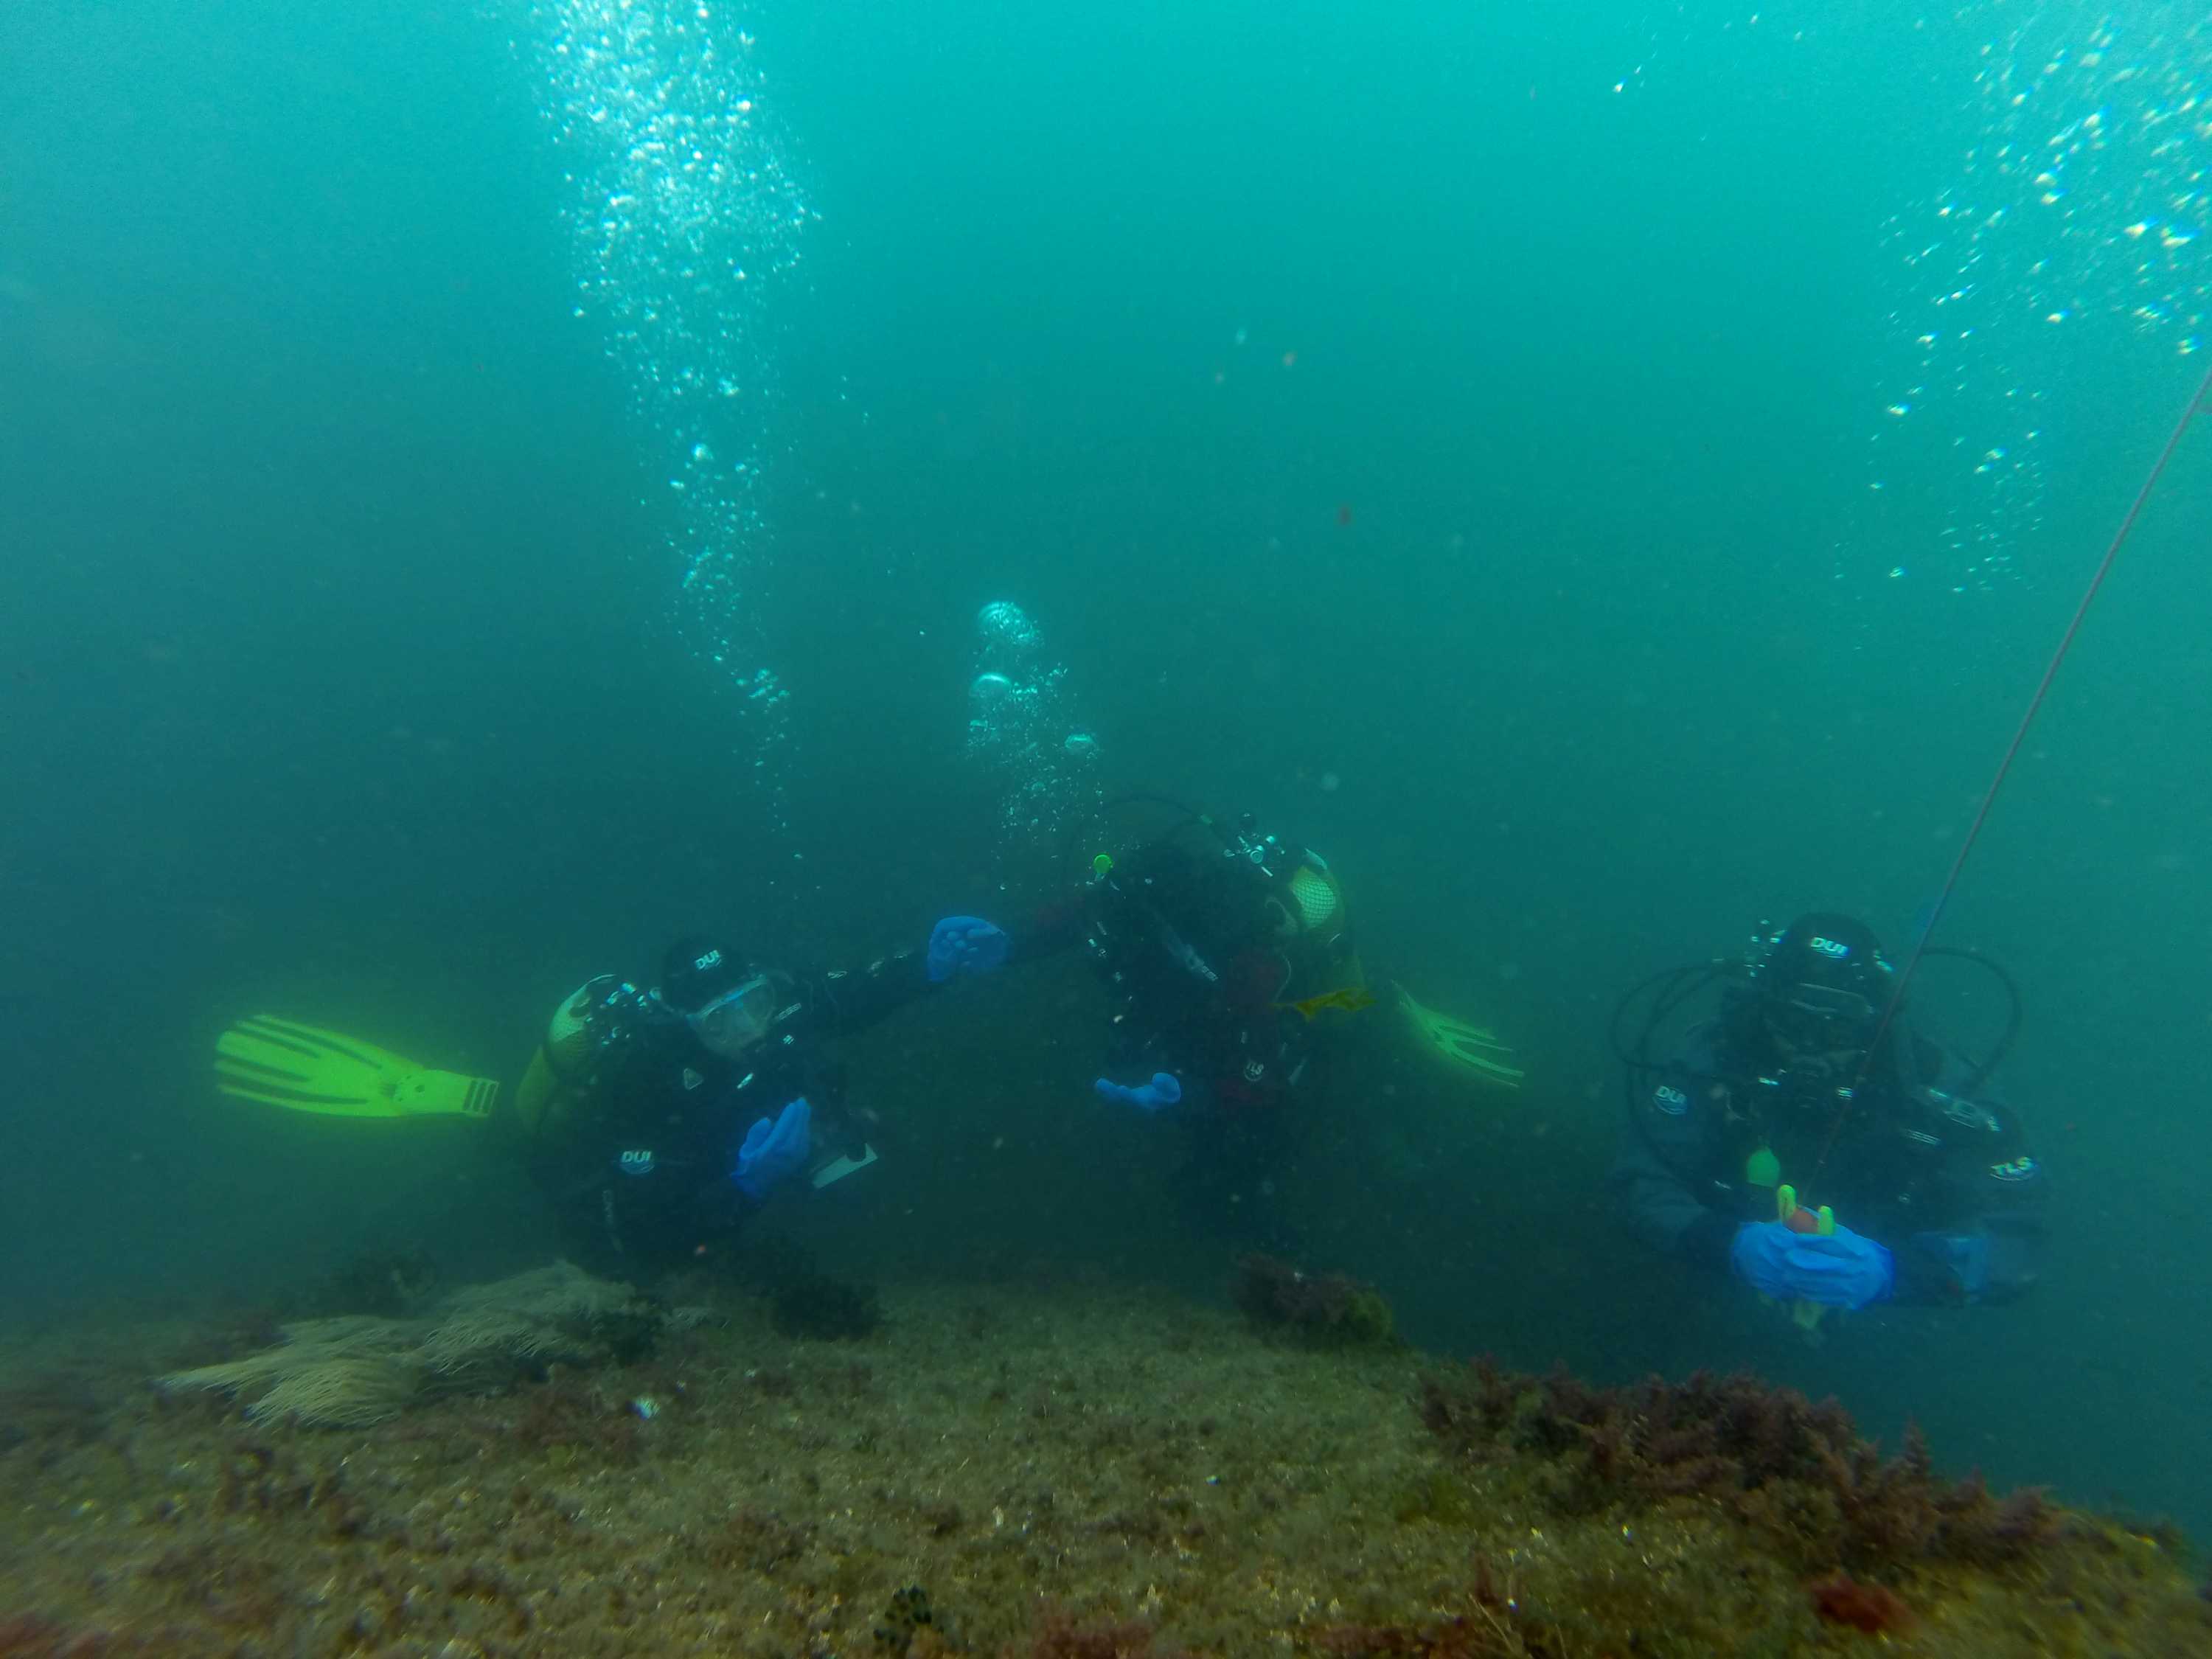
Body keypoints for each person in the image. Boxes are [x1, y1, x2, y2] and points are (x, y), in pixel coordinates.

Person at [996, 804, 1522, 1224]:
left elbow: (1264, 1079)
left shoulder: (1236, 958)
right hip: (1231, 1018)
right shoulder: (1136, 907)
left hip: (1299, 1020)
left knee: (1235, 1177)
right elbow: (1076, 918)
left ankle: (1384, 1026)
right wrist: (1003, 943)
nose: (1102, 949)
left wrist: (1194, 1097)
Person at [1610, 912, 2047, 1313]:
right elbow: (1640, 1179)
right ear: (1765, 1007)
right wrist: (1724, 1243)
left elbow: (2016, 1236)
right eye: (1795, 1021)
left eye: (1838, 1026)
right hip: (1706, 1287)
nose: (1812, 1047)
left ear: (1876, 1022)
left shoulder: (1931, 1082)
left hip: (1880, 1320)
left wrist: (1897, 1273)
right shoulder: (1713, 1060)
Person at [507, 922, 1009, 1269]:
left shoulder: (782, 1010)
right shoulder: (648, 1081)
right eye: (721, 1021)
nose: (749, 1031)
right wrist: (746, 1188)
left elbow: (853, 993)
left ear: (767, 990)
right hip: (655, 1182)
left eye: (756, 1003)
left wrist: (929, 967)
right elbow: (645, 1241)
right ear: (687, 1026)